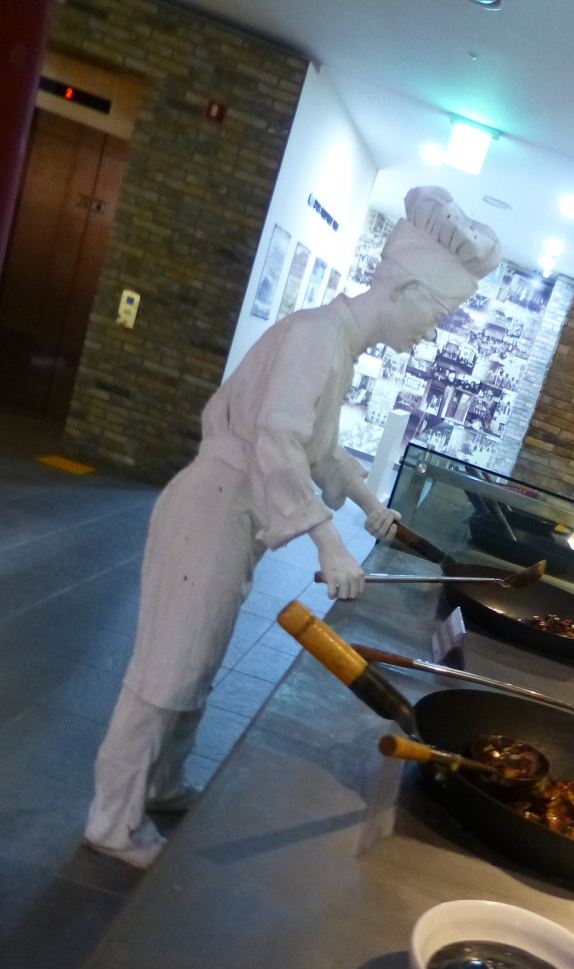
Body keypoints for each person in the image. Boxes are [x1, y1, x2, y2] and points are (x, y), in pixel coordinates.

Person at [84, 186, 501, 867]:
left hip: (231, 515)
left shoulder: (335, 342)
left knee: (197, 662)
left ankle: (159, 783)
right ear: (404, 287)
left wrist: (368, 504)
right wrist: (328, 541)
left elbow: (320, 448)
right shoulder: (315, 336)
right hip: (212, 508)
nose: (432, 331)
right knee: (167, 668)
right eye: (436, 312)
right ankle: (110, 822)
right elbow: (276, 443)